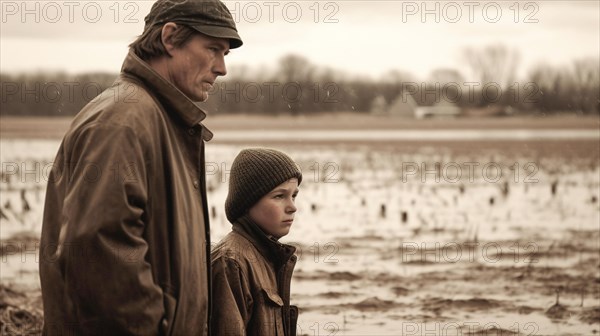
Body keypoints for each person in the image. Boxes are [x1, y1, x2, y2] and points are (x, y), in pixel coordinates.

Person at [38, 0, 242, 334]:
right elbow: (99, 252)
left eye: (225, 54)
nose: (222, 68)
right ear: (170, 38)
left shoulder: (158, 119)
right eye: (212, 49)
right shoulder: (123, 121)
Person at [211, 148, 302, 336]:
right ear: (248, 203)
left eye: (294, 195)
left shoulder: (265, 255)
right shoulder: (231, 262)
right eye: (279, 196)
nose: (292, 207)